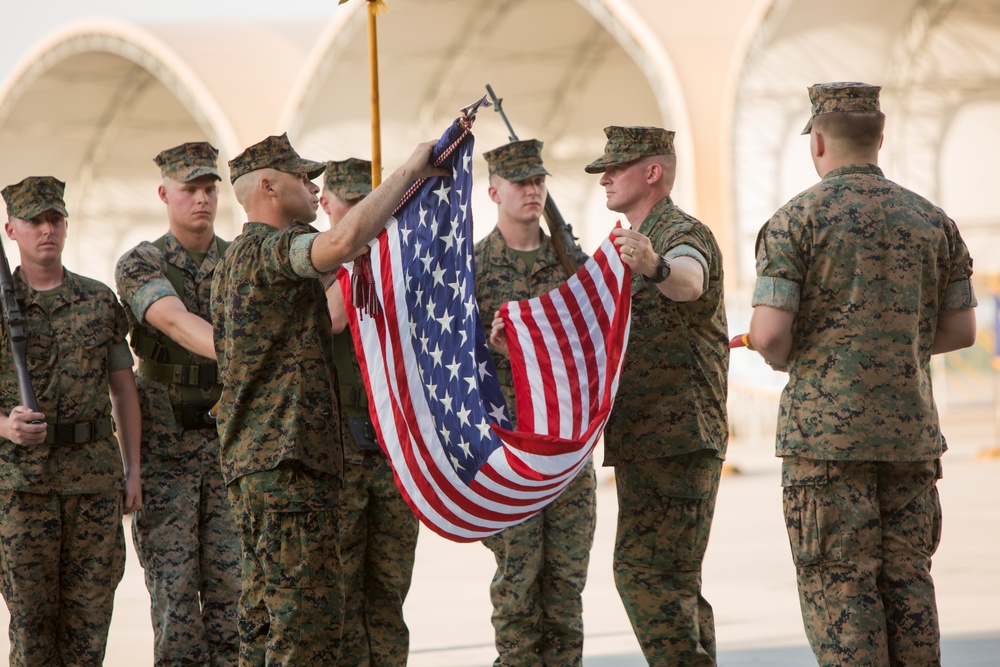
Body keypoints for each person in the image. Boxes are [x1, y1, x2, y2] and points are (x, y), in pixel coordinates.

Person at [748, 82, 978, 666]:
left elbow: (771, 335)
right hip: (909, 435)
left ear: (817, 141)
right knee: (908, 583)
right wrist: (892, 343)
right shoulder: (932, 221)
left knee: (841, 589)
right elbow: (961, 331)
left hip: (825, 444)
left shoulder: (795, 221)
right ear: (880, 137)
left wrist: (782, 355)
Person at [210, 133, 444, 665]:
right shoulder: (268, 251)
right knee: (307, 633)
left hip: (261, 468)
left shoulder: (235, 263)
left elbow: (339, 263)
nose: (314, 187)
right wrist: (410, 170)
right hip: (289, 468)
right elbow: (336, 246)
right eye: (302, 177)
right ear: (267, 186)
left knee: (263, 626)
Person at [586, 126, 729, 665]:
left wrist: (656, 266)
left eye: (616, 168)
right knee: (676, 583)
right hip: (651, 436)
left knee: (647, 576)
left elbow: (689, 280)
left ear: (652, 173)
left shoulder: (676, 234)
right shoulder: (629, 241)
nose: (605, 177)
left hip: (676, 435)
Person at [0, 176, 143, 666]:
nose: (47, 229)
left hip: (94, 486)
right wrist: (6, 426)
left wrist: (133, 469)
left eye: (54, 219)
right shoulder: (2, 305)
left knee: (89, 628)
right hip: (24, 489)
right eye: (34, 221)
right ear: (10, 229)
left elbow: (124, 390)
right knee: (32, 629)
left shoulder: (100, 301)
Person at [115, 141, 241, 666]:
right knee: (175, 605)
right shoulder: (142, 262)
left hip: (229, 453)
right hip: (166, 457)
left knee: (234, 601)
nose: (202, 199)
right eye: (190, 189)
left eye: (210, 189)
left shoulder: (238, 259)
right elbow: (169, 318)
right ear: (165, 192)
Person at [474, 139, 597, 666]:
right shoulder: (471, 269)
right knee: (518, 592)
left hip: (566, 448)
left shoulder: (574, 263)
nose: (532, 190)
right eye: (520, 182)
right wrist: (491, 342)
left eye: (538, 181)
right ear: (493, 190)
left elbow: (601, 333)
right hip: (509, 452)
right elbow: (452, 357)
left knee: (566, 593)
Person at [319, 158, 419, 667]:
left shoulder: (399, 265)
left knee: (389, 588)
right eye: (349, 203)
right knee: (341, 589)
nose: (360, 212)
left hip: (393, 447)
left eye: (368, 202)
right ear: (326, 205)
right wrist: (355, 256)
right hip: (340, 453)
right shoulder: (314, 265)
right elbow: (332, 318)